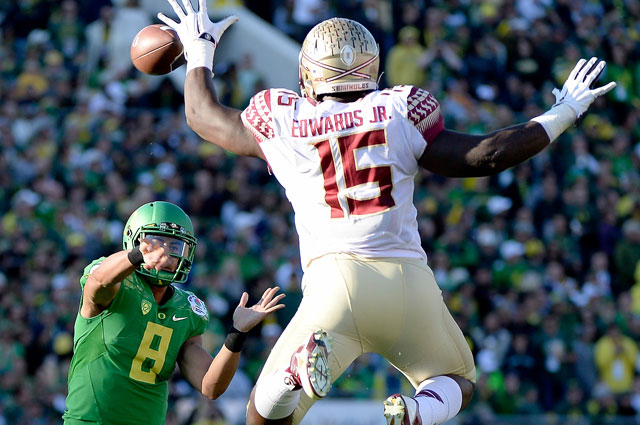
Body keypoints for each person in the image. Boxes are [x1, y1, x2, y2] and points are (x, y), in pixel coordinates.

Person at [158, 1, 617, 423]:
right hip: (406, 283)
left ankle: (292, 376)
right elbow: (486, 155)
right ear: (372, 69)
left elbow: (203, 116)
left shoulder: (285, 120)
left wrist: (200, 49)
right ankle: (416, 413)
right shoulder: (397, 109)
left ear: (306, 74)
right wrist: (564, 111)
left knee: (263, 420)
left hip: (333, 289)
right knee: (458, 379)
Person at [62, 201, 285, 425]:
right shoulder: (114, 280)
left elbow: (211, 386)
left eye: (175, 247)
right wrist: (138, 255)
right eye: (156, 243)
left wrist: (237, 332)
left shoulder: (187, 309)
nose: (166, 255)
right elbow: (99, 280)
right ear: (134, 241)